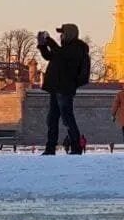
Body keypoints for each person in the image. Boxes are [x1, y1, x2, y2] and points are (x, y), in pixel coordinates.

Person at [37, 23, 90, 155]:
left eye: (63, 34)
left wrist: (49, 40)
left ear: (70, 34)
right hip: (56, 88)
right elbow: (49, 56)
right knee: (52, 119)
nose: (61, 36)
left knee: (67, 119)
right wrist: (42, 45)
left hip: (65, 89)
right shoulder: (64, 49)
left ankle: (76, 147)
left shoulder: (76, 49)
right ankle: (50, 148)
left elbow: (59, 53)